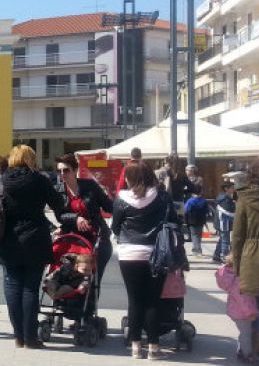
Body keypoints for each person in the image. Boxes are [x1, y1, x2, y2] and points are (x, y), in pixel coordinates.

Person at [0, 145, 67, 349]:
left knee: (12, 287)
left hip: (9, 240)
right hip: (35, 239)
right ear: (30, 159)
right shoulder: (39, 180)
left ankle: (18, 336)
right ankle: (30, 338)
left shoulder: (3, 181)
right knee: (30, 288)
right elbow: (58, 204)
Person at [111, 162, 178, 360]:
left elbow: (115, 227)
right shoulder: (162, 197)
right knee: (153, 301)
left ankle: (135, 347)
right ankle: (153, 348)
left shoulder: (121, 199)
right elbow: (174, 222)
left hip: (129, 253)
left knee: (135, 300)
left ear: (130, 178)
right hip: (155, 253)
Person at [55, 153, 114, 282]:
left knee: (93, 281)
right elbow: (59, 215)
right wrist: (76, 218)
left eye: (66, 170)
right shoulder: (58, 191)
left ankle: (91, 295)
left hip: (96, 238)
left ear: (75, 170)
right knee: (70, 279)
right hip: (73, 241)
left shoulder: (90, 186)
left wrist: (124, 204)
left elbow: (109, 207)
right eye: (59, 171)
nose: (62, 174)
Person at [231, 160, 259, 361]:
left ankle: (252, 350)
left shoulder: (245, 198)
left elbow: (238, 235)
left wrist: (236, 265)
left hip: (252, 258)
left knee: (254, 308)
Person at [217, 253, 259, 363]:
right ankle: (247, 354)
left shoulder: (233, 277)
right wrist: (250, 313)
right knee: (246, 333)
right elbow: (243, 300)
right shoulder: (239, 281)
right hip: (244, 312)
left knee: (244, 332)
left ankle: (242, 351)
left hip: (237, 311)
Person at [214, 181, 237, 264]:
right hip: (223, 222)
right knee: (225, 240)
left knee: (222, 239)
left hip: (223, 222)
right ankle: (225, 258)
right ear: (226, 188)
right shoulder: (224, 199)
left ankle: (216, 256)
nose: (234, 189)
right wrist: (236, 215)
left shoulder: (225, 197)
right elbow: (228, 212)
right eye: (232, 188)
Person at [184, 190, 210, 256]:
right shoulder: (204, 201)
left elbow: (186, 210)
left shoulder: (190, 201)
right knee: (199, 235)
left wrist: (185, 220)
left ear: (193, 193)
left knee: (194, 236)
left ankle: (197, 250)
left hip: (192, 220)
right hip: (201, 220)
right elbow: (207, 211)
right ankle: (195, 249)